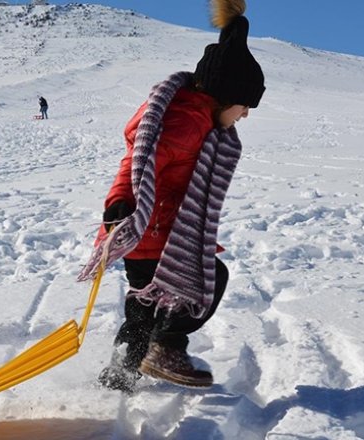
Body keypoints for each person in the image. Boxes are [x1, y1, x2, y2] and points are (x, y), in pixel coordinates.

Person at [76, 0, 265, 392]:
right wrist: (120, 205)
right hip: (151, 229)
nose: (245, 115)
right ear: (226, 95)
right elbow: (137, 164)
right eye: (245, 106)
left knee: (143, 308)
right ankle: (166, 346)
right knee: (210, 279)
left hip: (155, 232)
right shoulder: (185, 123)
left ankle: (121, 374)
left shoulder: (198, 120)